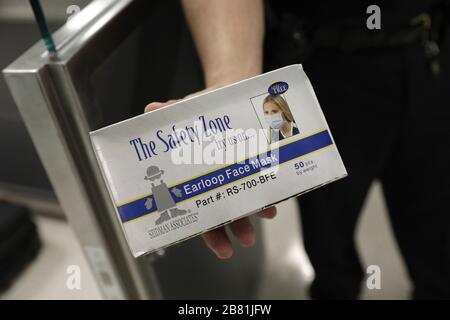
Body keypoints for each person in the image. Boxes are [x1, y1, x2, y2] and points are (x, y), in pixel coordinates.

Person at [145, 0, 450, 299]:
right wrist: (232, 93)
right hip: (322, 66)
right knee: (329, 231)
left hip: (432, 48)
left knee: (435, 228)